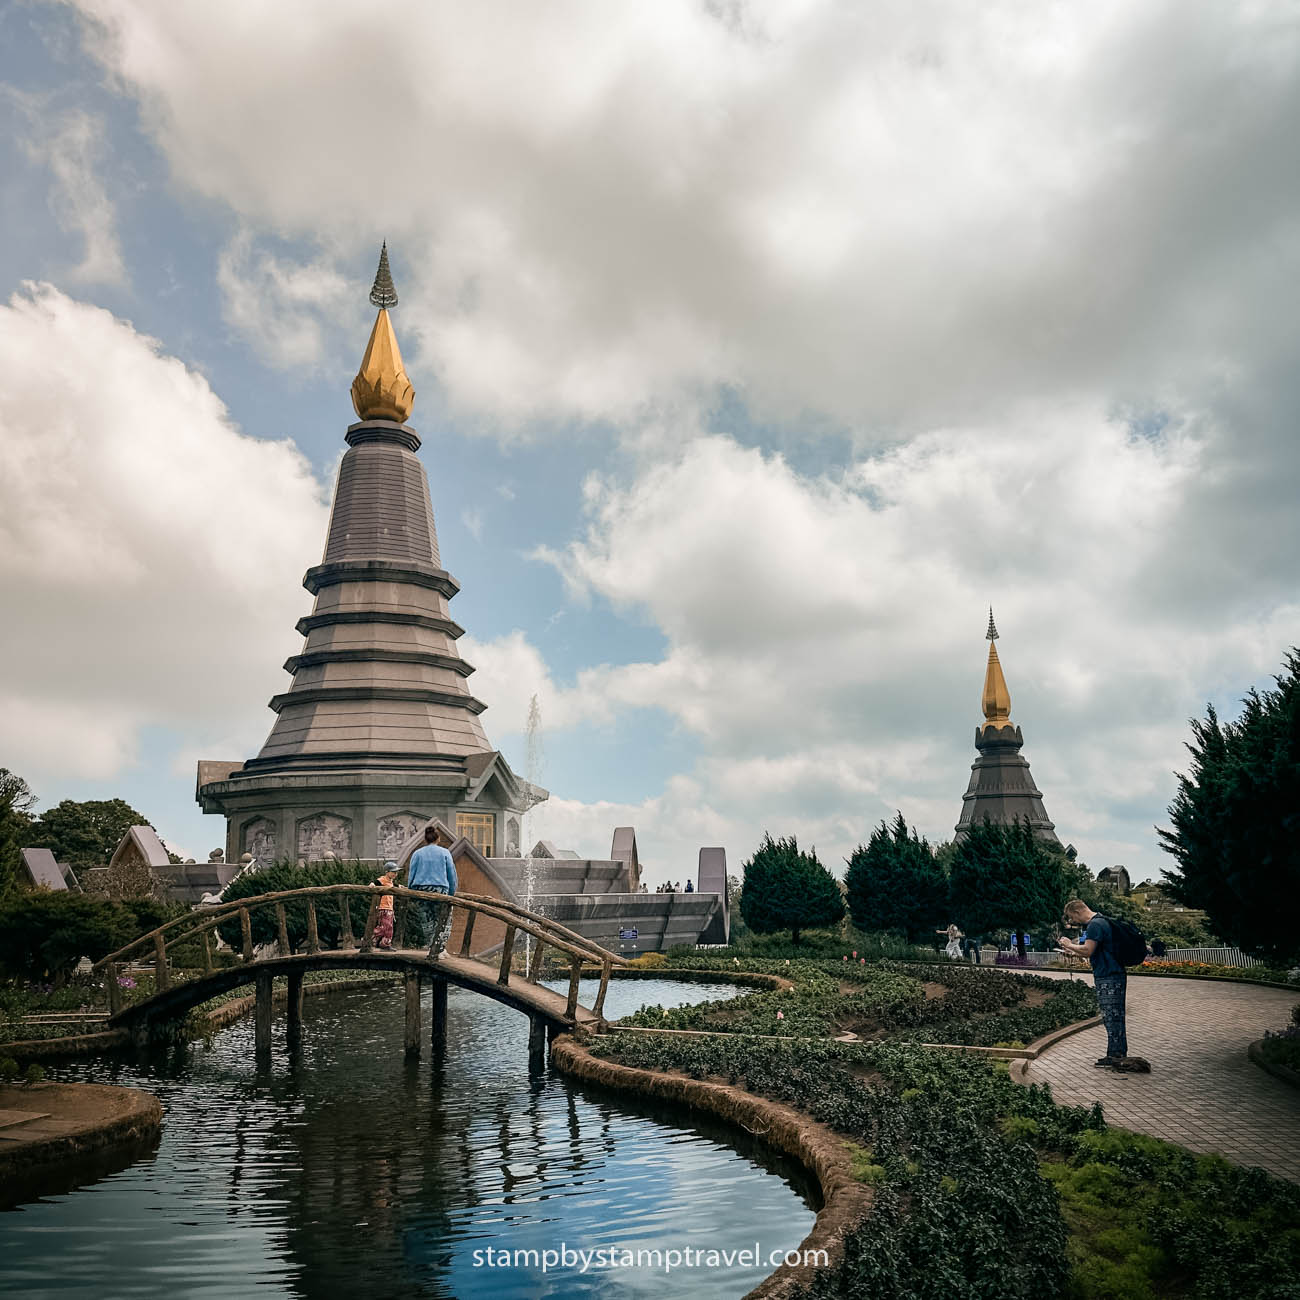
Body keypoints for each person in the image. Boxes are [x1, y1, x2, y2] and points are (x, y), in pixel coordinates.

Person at [1057, 899, 1131, 1069]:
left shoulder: (1095, 925)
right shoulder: (1103, 921)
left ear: (1077, 912)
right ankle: (1116, 1053)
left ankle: (1116, 1055)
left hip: (1108, 975)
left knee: (1111, 1016)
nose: (1072, 922)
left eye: (1071, 918)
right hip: (1113, 972)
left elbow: (1088, 950)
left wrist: (1070, 944)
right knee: (1114, 1016)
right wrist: (1074, 953)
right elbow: (1095, 951)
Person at [406, 827, 458, 955]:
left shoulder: (417, 853)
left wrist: (411, 890)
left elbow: (411, 874)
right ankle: (440, 948)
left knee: (427, 920)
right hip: (440, 889)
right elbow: (452, 875)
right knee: (444, 918)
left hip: (421, 890)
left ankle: (432, 947)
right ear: (438, 838)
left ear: (425, 839)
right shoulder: (445, 853)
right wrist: (452, 893)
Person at [373, 863, 398, 949]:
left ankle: (382, 943)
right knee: (385, 927)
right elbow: (374, 883)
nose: (395, 874)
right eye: (393, 872)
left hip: (390, 908)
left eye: (396, 872)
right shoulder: (382, 880)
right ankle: (373, 939)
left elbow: (395, 886)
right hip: (383, 907)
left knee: (388, 927)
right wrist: (372, 885)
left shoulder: (391, 882)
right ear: (387, 872)